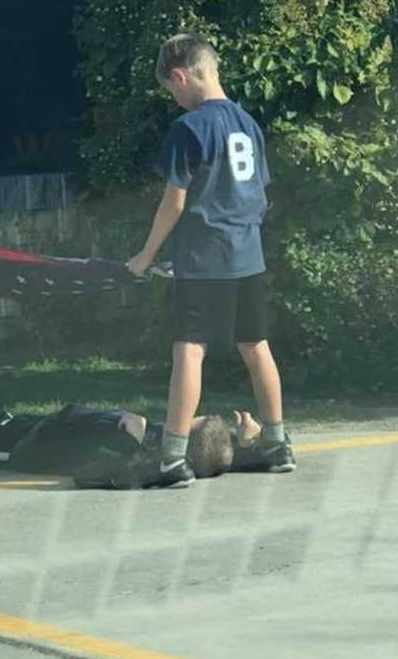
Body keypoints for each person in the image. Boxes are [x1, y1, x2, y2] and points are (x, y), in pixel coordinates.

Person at [126, 33, 295, 487]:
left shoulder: (189, 128)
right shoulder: (248, 124)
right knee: (256, 346)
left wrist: (144, 257)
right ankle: (278, 444)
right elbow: (259, 195)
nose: (175, 100)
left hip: (204, 260)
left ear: (181, 76)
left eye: (172, 90)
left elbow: (173, 203)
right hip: (248, 256)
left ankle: (172, 458)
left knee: (189, 350)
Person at [0, 368, 277, 488]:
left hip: (27, 449)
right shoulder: (178, 448)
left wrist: (131, 437)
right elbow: (216, 461)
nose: (180, 419)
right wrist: (248, 443)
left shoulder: (141, 458)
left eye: (189, 422)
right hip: (51, 425)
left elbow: (91, 475)